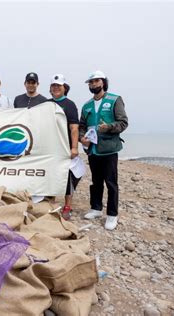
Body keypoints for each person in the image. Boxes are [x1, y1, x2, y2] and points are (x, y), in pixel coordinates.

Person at [79, 70, 128, 230]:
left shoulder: (115, 100)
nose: (93, 84)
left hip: (109, 149)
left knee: (111, 183)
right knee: (96, 181)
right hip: (93, 150)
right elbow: (82, 126)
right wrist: (81, 138)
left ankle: (112, 215)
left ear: (103, 82)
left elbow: (123, 122)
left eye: (96, 81)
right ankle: (96, 208)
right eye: (91, 82)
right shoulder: (86, 106)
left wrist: (109, 127)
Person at [47, 74, 80, 221]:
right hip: (49, 147)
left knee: (68, 177)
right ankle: (51, 202)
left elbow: (74, 128)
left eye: (58, 86)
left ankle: (67, 206)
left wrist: (74, 148)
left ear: (64, 88)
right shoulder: (46, 104)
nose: (55, 88)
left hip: (65, 147)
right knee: (51, 175)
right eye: (53, 86)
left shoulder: (70, 104)